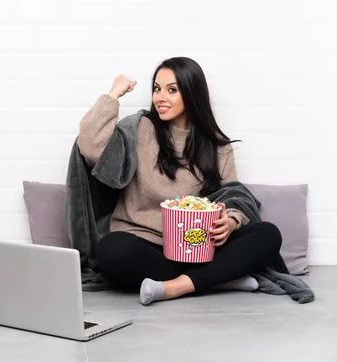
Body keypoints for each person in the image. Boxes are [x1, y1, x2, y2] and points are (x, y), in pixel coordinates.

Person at [77, 57, 285, 306]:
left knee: (268, 234)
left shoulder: (217, 146)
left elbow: (233, 194)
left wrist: (230, 220)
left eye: (172, 90)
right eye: (157, 88)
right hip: (144, 244)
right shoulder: (139, 129)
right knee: (112, 250)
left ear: (192, 93)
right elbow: (89, 146)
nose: (160, 97)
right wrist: (113, 94)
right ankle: (219, 279)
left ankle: (177, 286)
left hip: (198, 248)